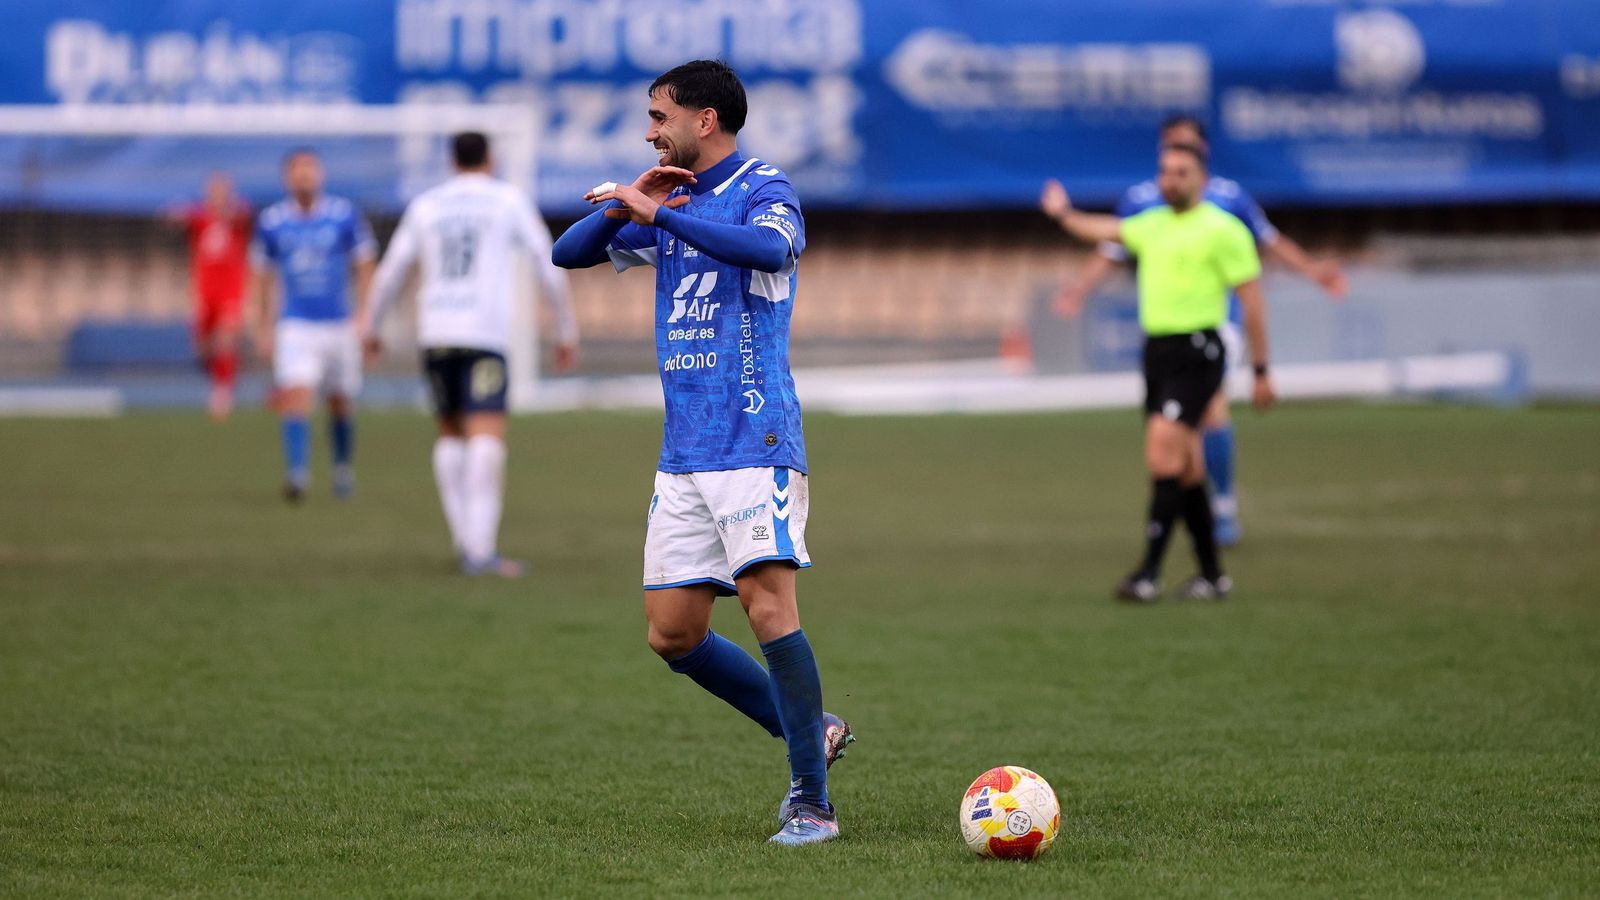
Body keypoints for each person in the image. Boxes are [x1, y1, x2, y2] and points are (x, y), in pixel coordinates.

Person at [551, 59, 852, 845]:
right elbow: (567, 253)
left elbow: (769, 253)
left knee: (767, 606)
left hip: (754, 435)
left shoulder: (764, 187)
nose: (650, 130)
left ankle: (811, 803)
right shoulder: (668, 195)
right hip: (684, 451)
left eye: (660, 115)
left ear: (704, 119)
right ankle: (810, 727)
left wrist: (662, 219)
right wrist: (631, 210)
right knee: (673, 633)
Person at [1056, 115, 1345, 546]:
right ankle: (1197, 518)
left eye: (1185, 147)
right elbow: (1111, 247)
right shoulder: (1145, 204)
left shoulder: (1229, 200)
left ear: (1202, 154)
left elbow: (1268, 240)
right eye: (1169, 148)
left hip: (1216, 325)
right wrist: (1079, 288)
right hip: (1164, 331)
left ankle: (1221, 508)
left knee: (1209, 410)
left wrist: (1311, 270)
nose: (1176, 158)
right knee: (1179, 430)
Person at [1041, 143, 1276, 602]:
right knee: (1188, 468)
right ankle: (1212, 576)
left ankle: (1147, 572)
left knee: (1161, 455)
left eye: (1181, 173)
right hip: (1159, 353)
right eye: (1166, 172)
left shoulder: (1225, 230)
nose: (1171, 180)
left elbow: (1253, 304)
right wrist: (1063, 214)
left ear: (1201, 179)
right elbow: (1104, 230)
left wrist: (1262, 369)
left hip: (1198, 351)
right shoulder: (1152, 225)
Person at [363, 131, 580, 577]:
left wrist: (371, 325)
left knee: (450, 433)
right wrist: (565, 328)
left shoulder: (427, 205)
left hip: (436, 331)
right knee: (486, 437)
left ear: (451, 161)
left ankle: (465, 540)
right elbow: (547, 259)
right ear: (491, 159)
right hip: (484, 333)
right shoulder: (507, 200)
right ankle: (480, 551)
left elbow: (391, 271)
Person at [250, 148, 377, 504]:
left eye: (309, 169)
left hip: (339, 323)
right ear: (287, 177)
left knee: (340, 401)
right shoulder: (272, 222)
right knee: (297, 395)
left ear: (319, 174)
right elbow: (261, 276)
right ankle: (298, 474)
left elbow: (365, 263)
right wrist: (262, 327)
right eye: (297, 170)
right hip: (296, 325)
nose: (304, 175)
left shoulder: (343, 215)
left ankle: (341, 469)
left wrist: (366, 313)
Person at [170, 172, 252, 421]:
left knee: (227, 338)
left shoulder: (237, 217)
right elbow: (177, 216)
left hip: (231, 290)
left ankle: (223, 392)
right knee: (203, 348)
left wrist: (226, 210)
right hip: (205, 292)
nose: (217, 196)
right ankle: (219, 375)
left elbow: (244, 213)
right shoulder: (200, 218)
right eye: (213, 191)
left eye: (222, 191)